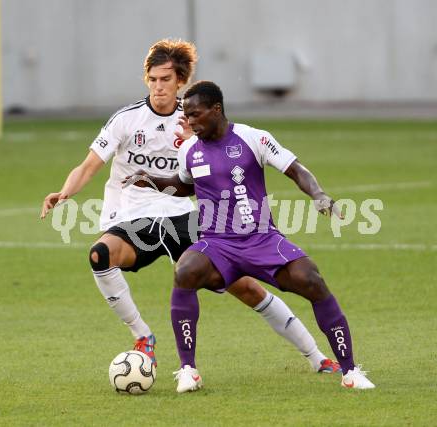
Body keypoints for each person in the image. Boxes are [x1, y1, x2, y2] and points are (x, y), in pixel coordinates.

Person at [41, 39, 339, 374]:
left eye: (165, 80)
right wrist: (64, 192)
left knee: (245, 287)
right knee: (100, 255)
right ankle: (143, 338)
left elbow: (220, 163)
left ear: (180, 80)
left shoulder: (196, 117)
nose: (158, 87)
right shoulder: (126, 120)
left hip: (185, 214)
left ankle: (317, 357)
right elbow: (88, 166)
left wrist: (193, 142)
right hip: (134, 215)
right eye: (152, 80)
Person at [124, 79, 376, 392]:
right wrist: (152, 180)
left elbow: (295, 169)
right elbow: (186, 183)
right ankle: (188, 369)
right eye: (186, 116)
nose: (189, 122)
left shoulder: (253, 137)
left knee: (312, 280)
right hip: (218, 245)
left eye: (196, 114)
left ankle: (350, 371)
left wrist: (319, 194)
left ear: (216, 110)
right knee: (186, 271)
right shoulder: (189, 149)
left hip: (262, 240)